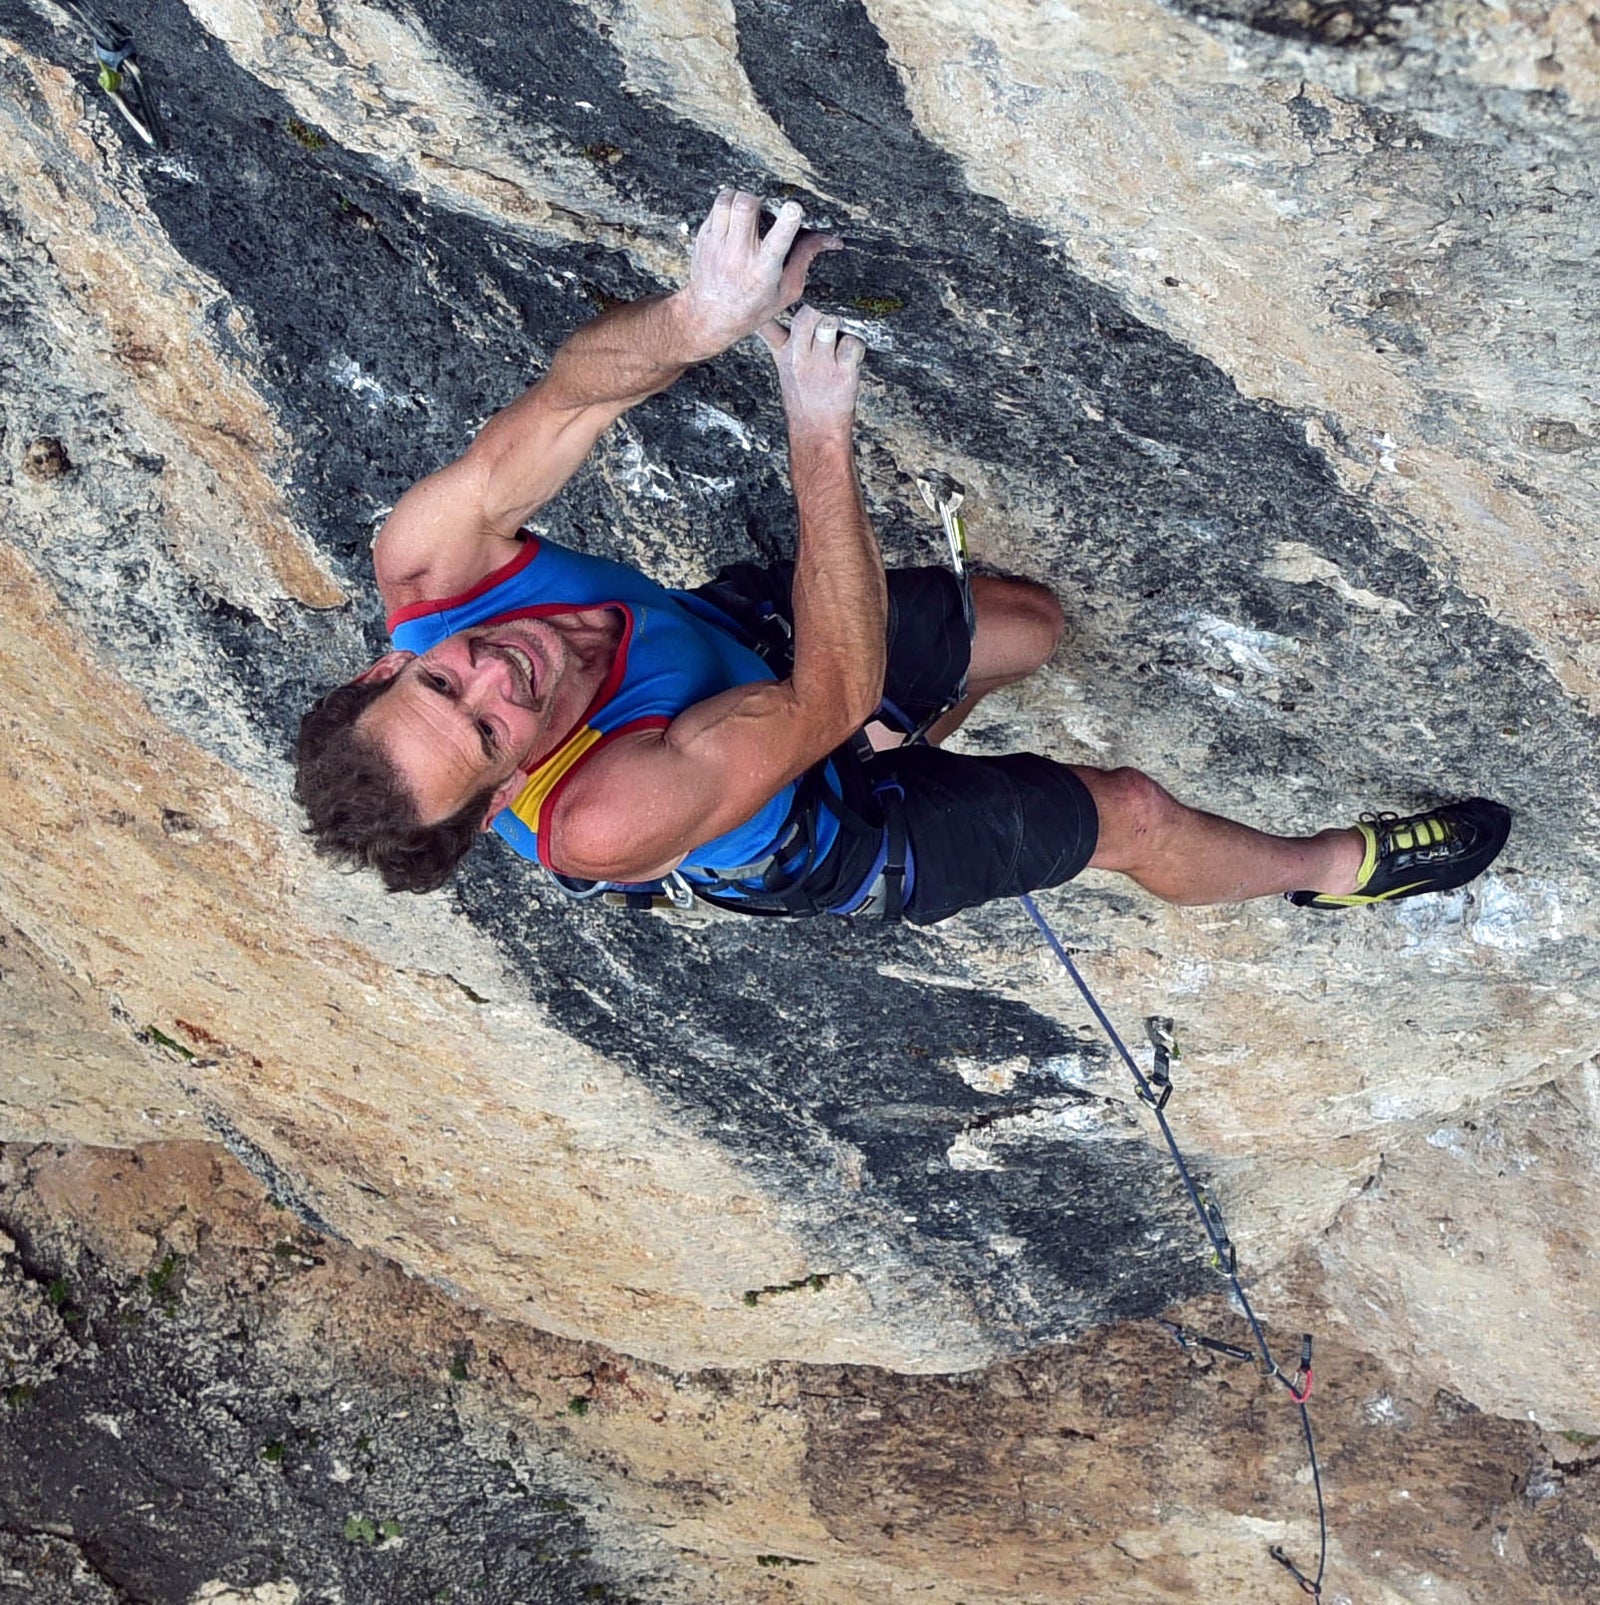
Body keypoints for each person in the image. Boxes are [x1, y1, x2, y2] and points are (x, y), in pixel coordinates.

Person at [294, 189, 1510, 925]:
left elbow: (566, 400)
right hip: (807, 832)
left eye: (439, 682)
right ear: (510, 784)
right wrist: (818, 435)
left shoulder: (430, 572)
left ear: (378, 671)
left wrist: (697, 320)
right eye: (494, 731)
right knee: (1129, 812)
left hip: (728, 668)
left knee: (1029, 626)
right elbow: (824, 700)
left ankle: (918, 733)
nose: (497, 676)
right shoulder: (606, 819)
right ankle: (1336, 871)